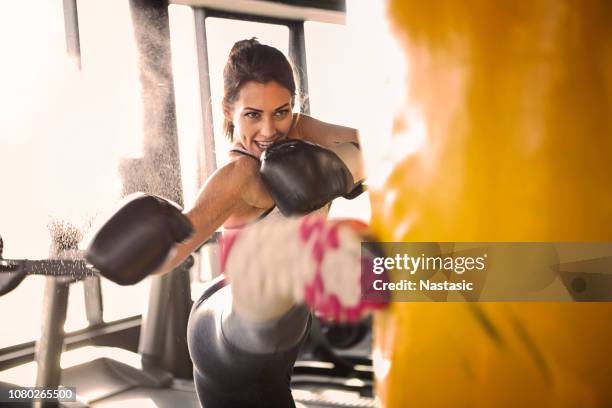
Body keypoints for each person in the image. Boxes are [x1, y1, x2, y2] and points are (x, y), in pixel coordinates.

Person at [84, 38, 380, 407]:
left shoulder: (301, 131)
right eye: (252, 115)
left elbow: (378, 146)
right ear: (228, 111)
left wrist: (341, 170)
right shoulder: (238, 175)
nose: (270, 130)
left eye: (281, 111)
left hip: (282, 336)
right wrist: (121, 250)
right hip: (232, 331)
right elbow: (178, 247)